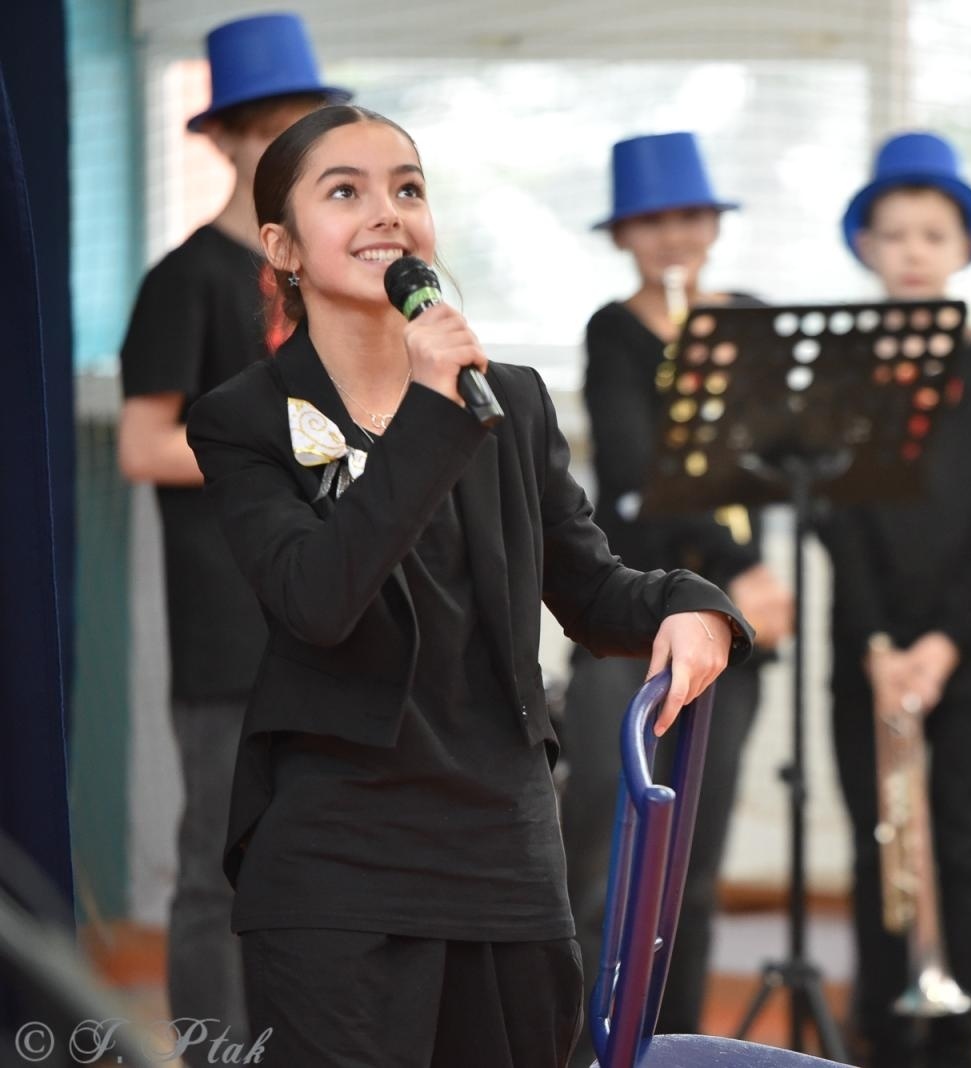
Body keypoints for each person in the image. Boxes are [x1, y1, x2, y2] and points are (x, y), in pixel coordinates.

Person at [185, 104, 751, 1067]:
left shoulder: (511, 400)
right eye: (345, 191)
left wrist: (692, 600)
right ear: (280, 245)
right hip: (335, 851)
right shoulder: (244, 419)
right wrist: (428, 413)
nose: (388, 213)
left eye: (408, 188)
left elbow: (592, 588)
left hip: (503, 849)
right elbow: (317, 600)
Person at [116, 12, 347, 1036]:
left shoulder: (308, 285)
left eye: (306, 132)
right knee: (220, 859)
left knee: (311, 862)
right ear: (224, 140)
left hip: (316, 610)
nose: (286, 151)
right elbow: (140, 444)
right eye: (267, 131)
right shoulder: (183, 281)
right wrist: (278, 451)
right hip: (224, 625)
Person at [560, 130, 793, 1067]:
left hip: (730, 634)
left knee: (691, 875)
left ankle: (674, 1050)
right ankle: (577, 1049)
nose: (673, 236)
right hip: (635, 624)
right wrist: (735, 566)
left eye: (690, 216)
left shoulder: (754, 324)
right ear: (624, 235)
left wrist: (740, 573)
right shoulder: (612, 333)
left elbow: (774, 465)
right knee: (592, 869)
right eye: (652, 220)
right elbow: (635, 486)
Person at [820, 130, 971, 1068]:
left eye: (932, 233)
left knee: (962, 848)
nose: (912, 250)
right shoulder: (840, 361)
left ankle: (954, 1040)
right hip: (865, 646)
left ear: (965, 248)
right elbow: (836, 515)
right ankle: (882, 1034)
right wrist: (878, 642)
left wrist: (943, 644)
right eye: (893, 231)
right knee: (879, 852)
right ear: (866, 246)